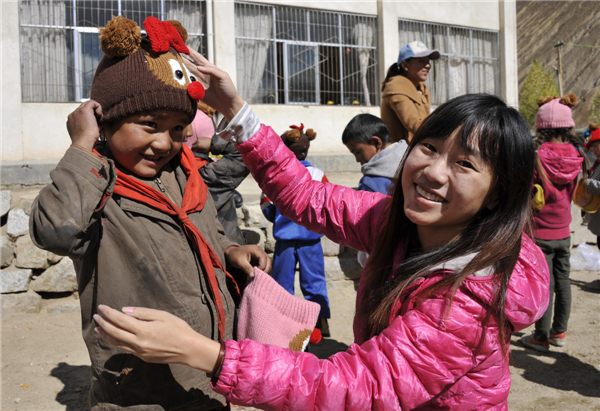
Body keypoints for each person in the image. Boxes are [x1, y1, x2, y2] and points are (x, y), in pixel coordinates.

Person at [94, 52, 549, 410]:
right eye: (428, 147)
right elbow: (306, 196)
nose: (433, 172)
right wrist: (234, 108)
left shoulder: (471, 299)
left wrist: (207, 353)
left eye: (465, 164)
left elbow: (359, 386)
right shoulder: (397, 222)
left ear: (495, 194)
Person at [29, 16, 269, 411]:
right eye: (149, 125)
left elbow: (203, 230)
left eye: (177, 128)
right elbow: (56, 231)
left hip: (206, 371)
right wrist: (82, 146)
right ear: (106, 120)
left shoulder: (182, 173)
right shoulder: (93, 184)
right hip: (137, 387)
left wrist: (230, 250)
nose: (164, 142)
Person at [521, 95, 583, 353]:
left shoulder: (537, 157)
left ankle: (541, 335)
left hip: (540, 232)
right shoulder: (576, 156)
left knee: (545, 285)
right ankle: (560, 332)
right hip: (564, 232)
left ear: (541, 128)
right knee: (564, 281)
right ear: (567, 127)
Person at [261, 124, 331, 340]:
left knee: (283, 282)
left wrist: (279, 220)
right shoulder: (318, 174)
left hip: (285, 240)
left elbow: (266, 205)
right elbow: (328, 202)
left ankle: (285, 324)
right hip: (312, 239)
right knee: (315, 281)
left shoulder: (275, 174)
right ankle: (320, 323)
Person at [187, 105, 250, 245]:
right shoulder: (213, 173)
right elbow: (249, 151)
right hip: (227, 252)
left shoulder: (170, 173)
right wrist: (216, 144)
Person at [380, 40, 440, 143]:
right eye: (421, 61)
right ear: (405, 65)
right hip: (400, 154)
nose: (428, 66)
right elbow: (416, 126)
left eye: (428, 61)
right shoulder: (397, 87)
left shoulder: (421, 88)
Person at [342, 113, 407, 194]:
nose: (357, 160)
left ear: (376, 143)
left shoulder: (370, 182)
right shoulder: (412, 157)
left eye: (357, 152)